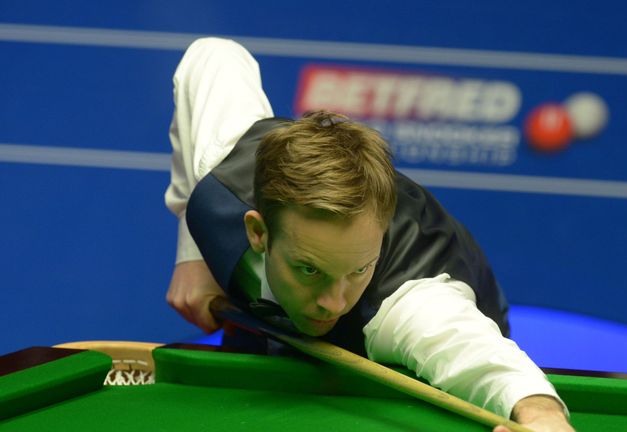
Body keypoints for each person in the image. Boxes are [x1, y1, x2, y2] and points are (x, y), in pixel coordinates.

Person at [165, 37, 574, 432]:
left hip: (418, 342)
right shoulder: (222, 176)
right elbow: (213, 56)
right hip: (270, 322)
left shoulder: (407, 306)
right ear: (258, 232)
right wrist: (194, 254)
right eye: (309, 269)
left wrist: (540, 415)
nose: (334, 302)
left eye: (358, 269)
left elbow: (474, 354)